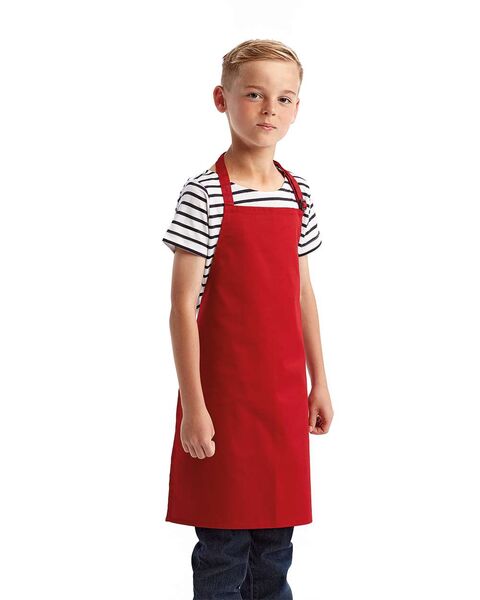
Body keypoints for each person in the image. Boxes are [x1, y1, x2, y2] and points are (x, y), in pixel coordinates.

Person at [162, 38, 333, 600]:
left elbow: (303, 294)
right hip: (223, 402)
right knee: (223, 549)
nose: (269, 110)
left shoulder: (298, 195)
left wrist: (319, 382)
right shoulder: (204, 194)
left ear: (298, 107)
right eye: (254, 94)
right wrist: (194, 408)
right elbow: (182, 308)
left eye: (284, 98)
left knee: (275, 550)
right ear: (222, 99)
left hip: (281, 402)